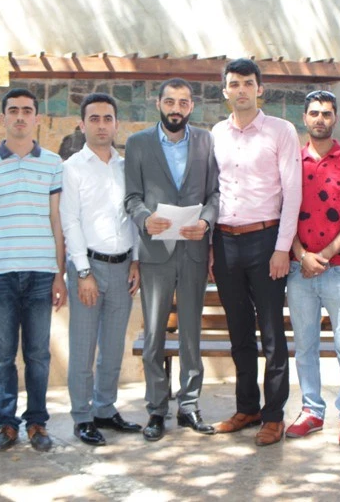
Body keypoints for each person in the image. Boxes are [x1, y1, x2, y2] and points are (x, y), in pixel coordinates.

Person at [211, 58, 302, 447]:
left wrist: (282, 248)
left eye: (248, 83)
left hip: (265, 241)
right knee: (239, 332)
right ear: (225, 91)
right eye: (234, 84)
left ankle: (274, 415)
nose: (242, 90)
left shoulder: (281, 131)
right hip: (225, 241)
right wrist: (212, 247)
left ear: (259, 89)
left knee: (272, 333)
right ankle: (246, 408)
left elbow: (292, 193)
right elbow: (212, 190)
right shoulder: (216, 133)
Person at [0, 88, 67, 453]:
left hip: (41, 273)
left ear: (37, 118)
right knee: (2, 356)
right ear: (3, 118)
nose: (21, 116)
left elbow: (56, 221)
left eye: (27, 110)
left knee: (39, 355)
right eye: (14, 110)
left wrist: (59, 275)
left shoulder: (53, 163)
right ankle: (7, 425)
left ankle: (37, 423)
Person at [125, 78, 220, 442]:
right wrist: (144, 219)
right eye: (169, 102)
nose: (175, 109)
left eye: (182, 102)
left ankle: (189, 405)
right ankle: (156, 408)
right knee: (154, 334)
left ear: (191, 106)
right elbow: (132, 197)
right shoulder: (138, 143)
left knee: (191, 333)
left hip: (193, 250)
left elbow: (214, 194)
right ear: (158, 104)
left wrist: (206, 222)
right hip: (156, 251)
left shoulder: (206, 141)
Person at [285, 90, 340, 446]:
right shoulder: (291, 161)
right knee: (305, 345)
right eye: (314, 113)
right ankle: (312, 411)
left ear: (335, 118)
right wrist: (302, 254)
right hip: (299, 270)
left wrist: (325, 256)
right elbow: (284, 214)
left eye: (327, 113)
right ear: (304, 117)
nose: (320, 118)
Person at [60, 93, 142, 446]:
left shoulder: (126, 167)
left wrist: (136, 259)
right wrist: (82, 273)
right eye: (94, 119)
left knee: (112, 348)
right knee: (83, 349)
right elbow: (70, 222)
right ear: (82, 125)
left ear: (116, 124)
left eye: (108, 118)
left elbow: (133, 216)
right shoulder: (72, 168)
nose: (102, 125)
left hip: (123, 268)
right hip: (88, 268)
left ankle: (105, 409)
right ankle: (82, 416)